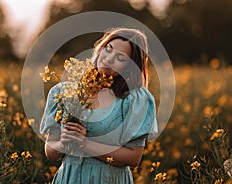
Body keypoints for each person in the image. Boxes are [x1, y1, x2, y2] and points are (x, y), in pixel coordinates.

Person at [40, 27, 158, 183]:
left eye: (120, 58)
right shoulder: (64, 92)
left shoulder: (135, 99)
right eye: (108, 49)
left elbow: (133, 157)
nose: (108, 59)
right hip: (70, 178)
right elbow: (51, 152)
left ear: (130, 67)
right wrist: (64, 142)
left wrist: (85, 144)